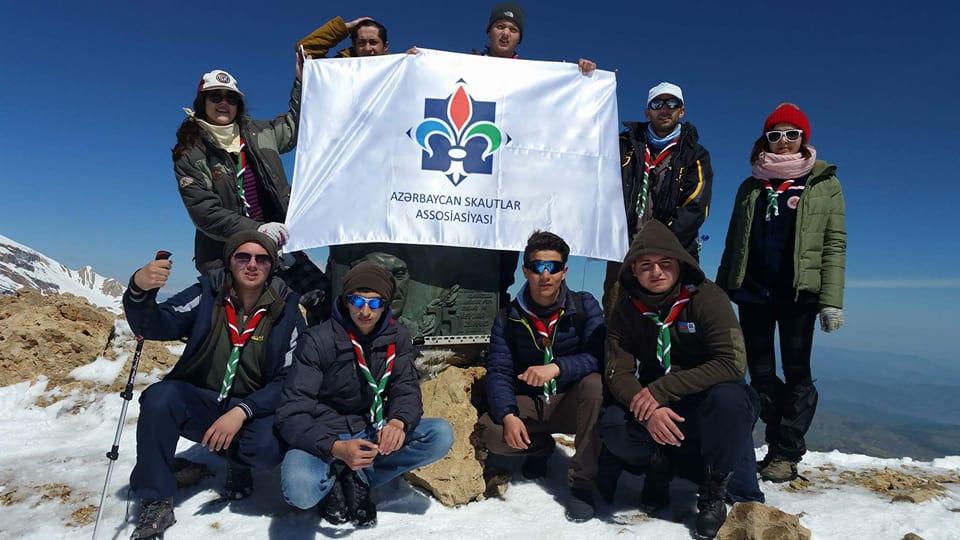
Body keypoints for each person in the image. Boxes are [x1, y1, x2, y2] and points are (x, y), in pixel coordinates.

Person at [123, 231, 305, 540]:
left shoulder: (285, 311)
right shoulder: (207, 293)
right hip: (204, 400)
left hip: (252, 408)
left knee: (267, 447)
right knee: (160, 399)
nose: (252, 264)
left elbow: (289, 377)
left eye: (262, 259)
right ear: (230, 261)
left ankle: (237, 461)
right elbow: (157, 324)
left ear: (272, 266)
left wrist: (243, 411)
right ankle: (155, 498)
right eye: (243, 257)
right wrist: (139, 289)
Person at [603, 220, 760, 539]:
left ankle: (714, 489)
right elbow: (617, 370)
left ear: (679, 264)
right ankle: (659, 462)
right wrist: (649, 410)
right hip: (657, 405)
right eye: (645, 265)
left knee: (730, 401)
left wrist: (661, 390)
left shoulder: (706, 297)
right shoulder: (627, 307)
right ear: (633, 270)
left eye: (665, 263)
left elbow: (732, 363)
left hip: (707, 401)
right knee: (613, 424)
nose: (656, 272)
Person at [716, 103, 846, 483]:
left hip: (798, 296)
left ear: (804, 138)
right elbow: (734, 241)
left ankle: (786, 453)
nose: (784, 141)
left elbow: (834, 244)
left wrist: (831, 300)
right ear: (765, 140)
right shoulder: (751, 186)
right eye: (776, 134)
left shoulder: (824, 183)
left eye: (793, 134)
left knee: (797, 373)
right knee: (760, 374)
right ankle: (774, 444)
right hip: (753, 293)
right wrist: (722, 290)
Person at [277, 261, 454, 528]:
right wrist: (335, 447)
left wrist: (398, 422)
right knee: (300, 490)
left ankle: (360, 478)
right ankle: (331, 484)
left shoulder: (397, 337)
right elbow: (292, 412)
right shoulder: (317, 340)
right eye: (358, 301)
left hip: (369, 428)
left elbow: (405, 388)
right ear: (346, 300)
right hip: (323, 433)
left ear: (385, 305)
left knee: (439, 435)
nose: (365, 311)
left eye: (375, 303)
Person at [172, 65, 330, 322]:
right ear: (202, 102)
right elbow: (205, 212)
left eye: (231, 98)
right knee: (253, 322)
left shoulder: (259, 133)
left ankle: (312, 348)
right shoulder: (190, 151)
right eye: (216, 96)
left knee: (324, 299)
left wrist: (303, 81)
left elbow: (297, 124)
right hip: (226, 256)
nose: (224, 103)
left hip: (279, 246)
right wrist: (258, 230)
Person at [478, 231, 605, 522]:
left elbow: (598, 356)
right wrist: (508, 415)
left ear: (564, 271)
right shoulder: (506, 317)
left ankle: (582, 484)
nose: (545, 275)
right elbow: (499, 371)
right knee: (491, 432)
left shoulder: (585, 306)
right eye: (537, 267)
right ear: (525, 271)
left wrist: (557, 367)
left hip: (571, 401)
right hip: (531, 403)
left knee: (595, 385)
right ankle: (540, 447)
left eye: (553, 267)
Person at [602, 82, 713, 313]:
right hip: (624, 249)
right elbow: (588, 148)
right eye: (657, 104)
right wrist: (585, 79)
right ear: (647, 111)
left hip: (673, 251)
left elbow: (696, 206)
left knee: (673, 315)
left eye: (672, 103)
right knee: (616, 312)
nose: (664, 109)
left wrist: (661, 242)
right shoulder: (623, 145)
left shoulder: (694, 154)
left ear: (682, 111)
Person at [297, 16, 389, 59]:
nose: (367, 48)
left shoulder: (395, 70)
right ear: (354, 46)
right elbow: (305, 48)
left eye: (373, 42)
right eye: (361, 43)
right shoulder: (342, 66)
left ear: (385, 46)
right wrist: (348, 26)